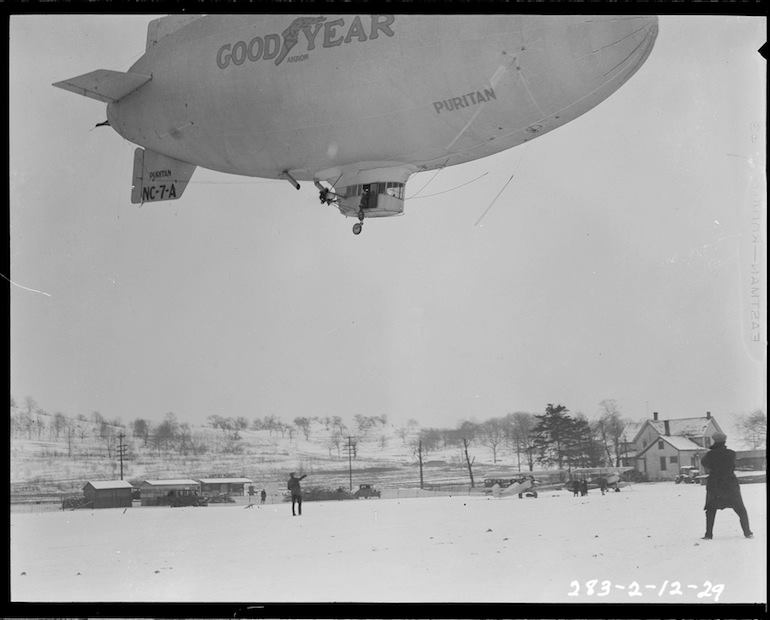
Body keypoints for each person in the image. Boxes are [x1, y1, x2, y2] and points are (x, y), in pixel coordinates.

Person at [700, 432, 753, 539]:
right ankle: (747, 533)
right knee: (741, 509)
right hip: (730, 485)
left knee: (711, 509)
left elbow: (704, 463)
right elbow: (733, 464)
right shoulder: (731, 453)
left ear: (714, 440)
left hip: (715, 484)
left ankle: (708, 534)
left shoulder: (710, 455)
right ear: (725, 441)